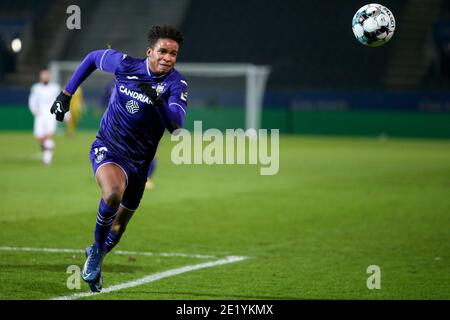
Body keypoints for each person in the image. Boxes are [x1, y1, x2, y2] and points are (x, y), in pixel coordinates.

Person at [50, 25, 188, 292]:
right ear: (150, 51)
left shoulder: (176, 84)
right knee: (113, 192)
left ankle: (97, 253)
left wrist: (158, 103)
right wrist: (66, 95)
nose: (168, 58)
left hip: (140, 163)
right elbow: (92, 58)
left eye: (173, 53)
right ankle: (97, 251)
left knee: (118, 228)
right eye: (163, 51)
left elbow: (177, 126)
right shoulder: (126, 65)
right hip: (109, 148)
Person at [28, 69, 60, 165]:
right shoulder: (36, 88)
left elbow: (60, 101)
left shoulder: (55, 88)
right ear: (40, 77)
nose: (45, 77)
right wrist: (34, 111)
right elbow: (32, 100)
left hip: (51, 115)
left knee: (49, 135)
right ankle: (47, 152)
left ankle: (47, 159)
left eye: (46, 75)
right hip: (40, 115)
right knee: (40, 137)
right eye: (43, 75)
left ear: (49, 77)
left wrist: (65, 114)